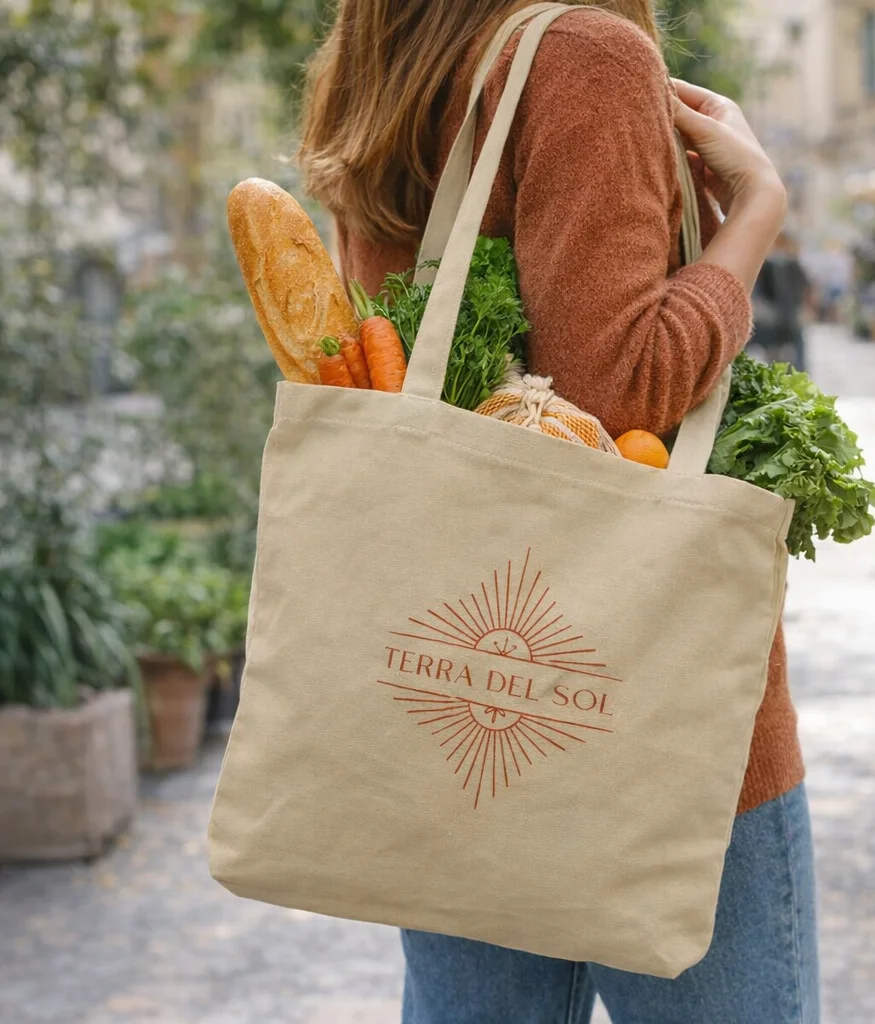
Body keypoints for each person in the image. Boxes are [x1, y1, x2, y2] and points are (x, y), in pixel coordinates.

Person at [299, 3, 817, 1021]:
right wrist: (754, 207)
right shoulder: (582, 53)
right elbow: (617, 396)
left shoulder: (383, 62)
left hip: (453, 689)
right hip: (646, 702)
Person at [751, 232, 812, 372]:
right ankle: (795, 373)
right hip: (782, 315)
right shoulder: (779, 264)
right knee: (791, 347)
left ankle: (786, 372)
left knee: (782, 348)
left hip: (781, 315)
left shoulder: (786, 265)